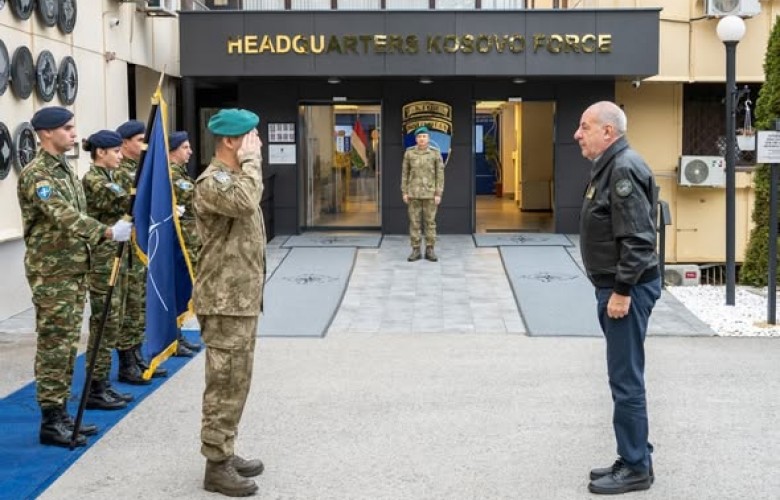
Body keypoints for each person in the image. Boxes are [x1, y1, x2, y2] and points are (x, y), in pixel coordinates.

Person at [17, 107, 132, 447]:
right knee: (54, 344)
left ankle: (62, 413)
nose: (73, 134)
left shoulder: (66, 169)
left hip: (73, 269)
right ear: (46, 133)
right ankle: (51, 420)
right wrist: (106, 232)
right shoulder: (38, 174)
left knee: (67, 345)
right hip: (52, 272)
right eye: (66, 128)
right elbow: (63, 215)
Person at [574, 101, 661, 495]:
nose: (578, 134)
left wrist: (622, 291)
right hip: (618, 287)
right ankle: (633, 455)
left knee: (625, 379)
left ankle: (636, 467)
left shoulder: (623, 168)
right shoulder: (611, 165)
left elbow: (639, 240)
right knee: (623, 376)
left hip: (626, 290)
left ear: (607, 131)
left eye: (585, 126)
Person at [194, 109, 266, 497]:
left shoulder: (236, 179)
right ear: (229, 141)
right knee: (224, 384)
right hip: (223, 301)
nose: (257, 143)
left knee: (237, 381)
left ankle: (225, 448)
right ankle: (216, 466)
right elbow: (245, 202)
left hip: (240, 299)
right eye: (251, 137)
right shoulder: (214, 181)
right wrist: (252, 161)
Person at [81, 130, 136, 410]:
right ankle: (95, 386)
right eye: (115, 151)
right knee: (104, 321)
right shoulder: (95, 180)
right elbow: (127, 202)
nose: (120, 156)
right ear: (100, 152)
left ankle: (102, 383)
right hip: (103, 260)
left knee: (115, 319)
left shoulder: (111, 178)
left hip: (117, 256)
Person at [114, 120, 167, 383]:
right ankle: (127, 363)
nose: (143, 144)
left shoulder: (139, 170)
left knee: (137, 307)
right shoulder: (120, 172)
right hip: (123, 253)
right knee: (127, 310)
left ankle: (136, 357)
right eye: (138, 140)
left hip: (138, 251)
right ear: (124, 143)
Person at [169, 130, 201, 357]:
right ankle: (173, 339)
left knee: (182, 290)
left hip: (189, 241)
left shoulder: (180, 174)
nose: (190, 151)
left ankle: (177, 336)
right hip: (180, 243)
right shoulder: (172, 175)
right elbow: (197, 198)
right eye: (185, 147)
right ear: (173, 151)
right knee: (178, 290)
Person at [401, 126, 444, 262]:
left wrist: (438, 193)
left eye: (424, 136)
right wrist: (404, 192)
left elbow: (440, 175)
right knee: (414, 223)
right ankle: (415, 250)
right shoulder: (409, 153)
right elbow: (405, 174)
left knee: (430, 223)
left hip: (430, 194)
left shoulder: (435, 153)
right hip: (413, 194)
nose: (422, 139)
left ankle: (430, 249)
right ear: (416, 139)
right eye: (419, 137)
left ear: (428, 138)